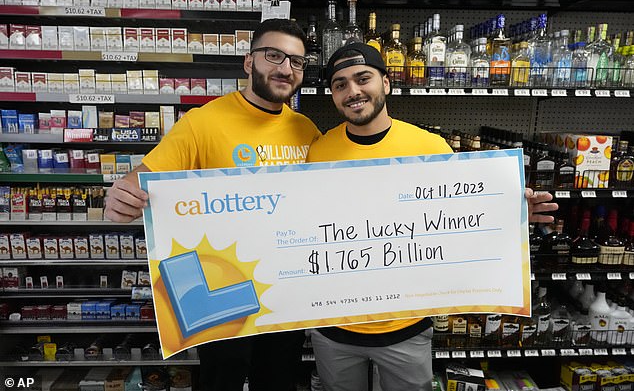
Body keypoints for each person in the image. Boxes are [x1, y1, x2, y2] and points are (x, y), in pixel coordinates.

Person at [306, 43, 557, 391]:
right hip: (334, 328)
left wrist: (505, 214)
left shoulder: (431, 148)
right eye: (340, 84)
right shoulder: (319, 151)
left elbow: (456, 222)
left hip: (406, 328)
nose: (353, 91)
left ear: (387, 83)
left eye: (363, 78)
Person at [105, 19, 321, 391]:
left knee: (280, 379)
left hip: (285, 291)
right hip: (221, 292)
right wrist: (121, 194)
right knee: (223, 380)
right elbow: (144, 177)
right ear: (249, 62)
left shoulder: (306, 129)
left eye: (297, 62)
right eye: (274, 55)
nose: (286, 68)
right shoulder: (202, 123)